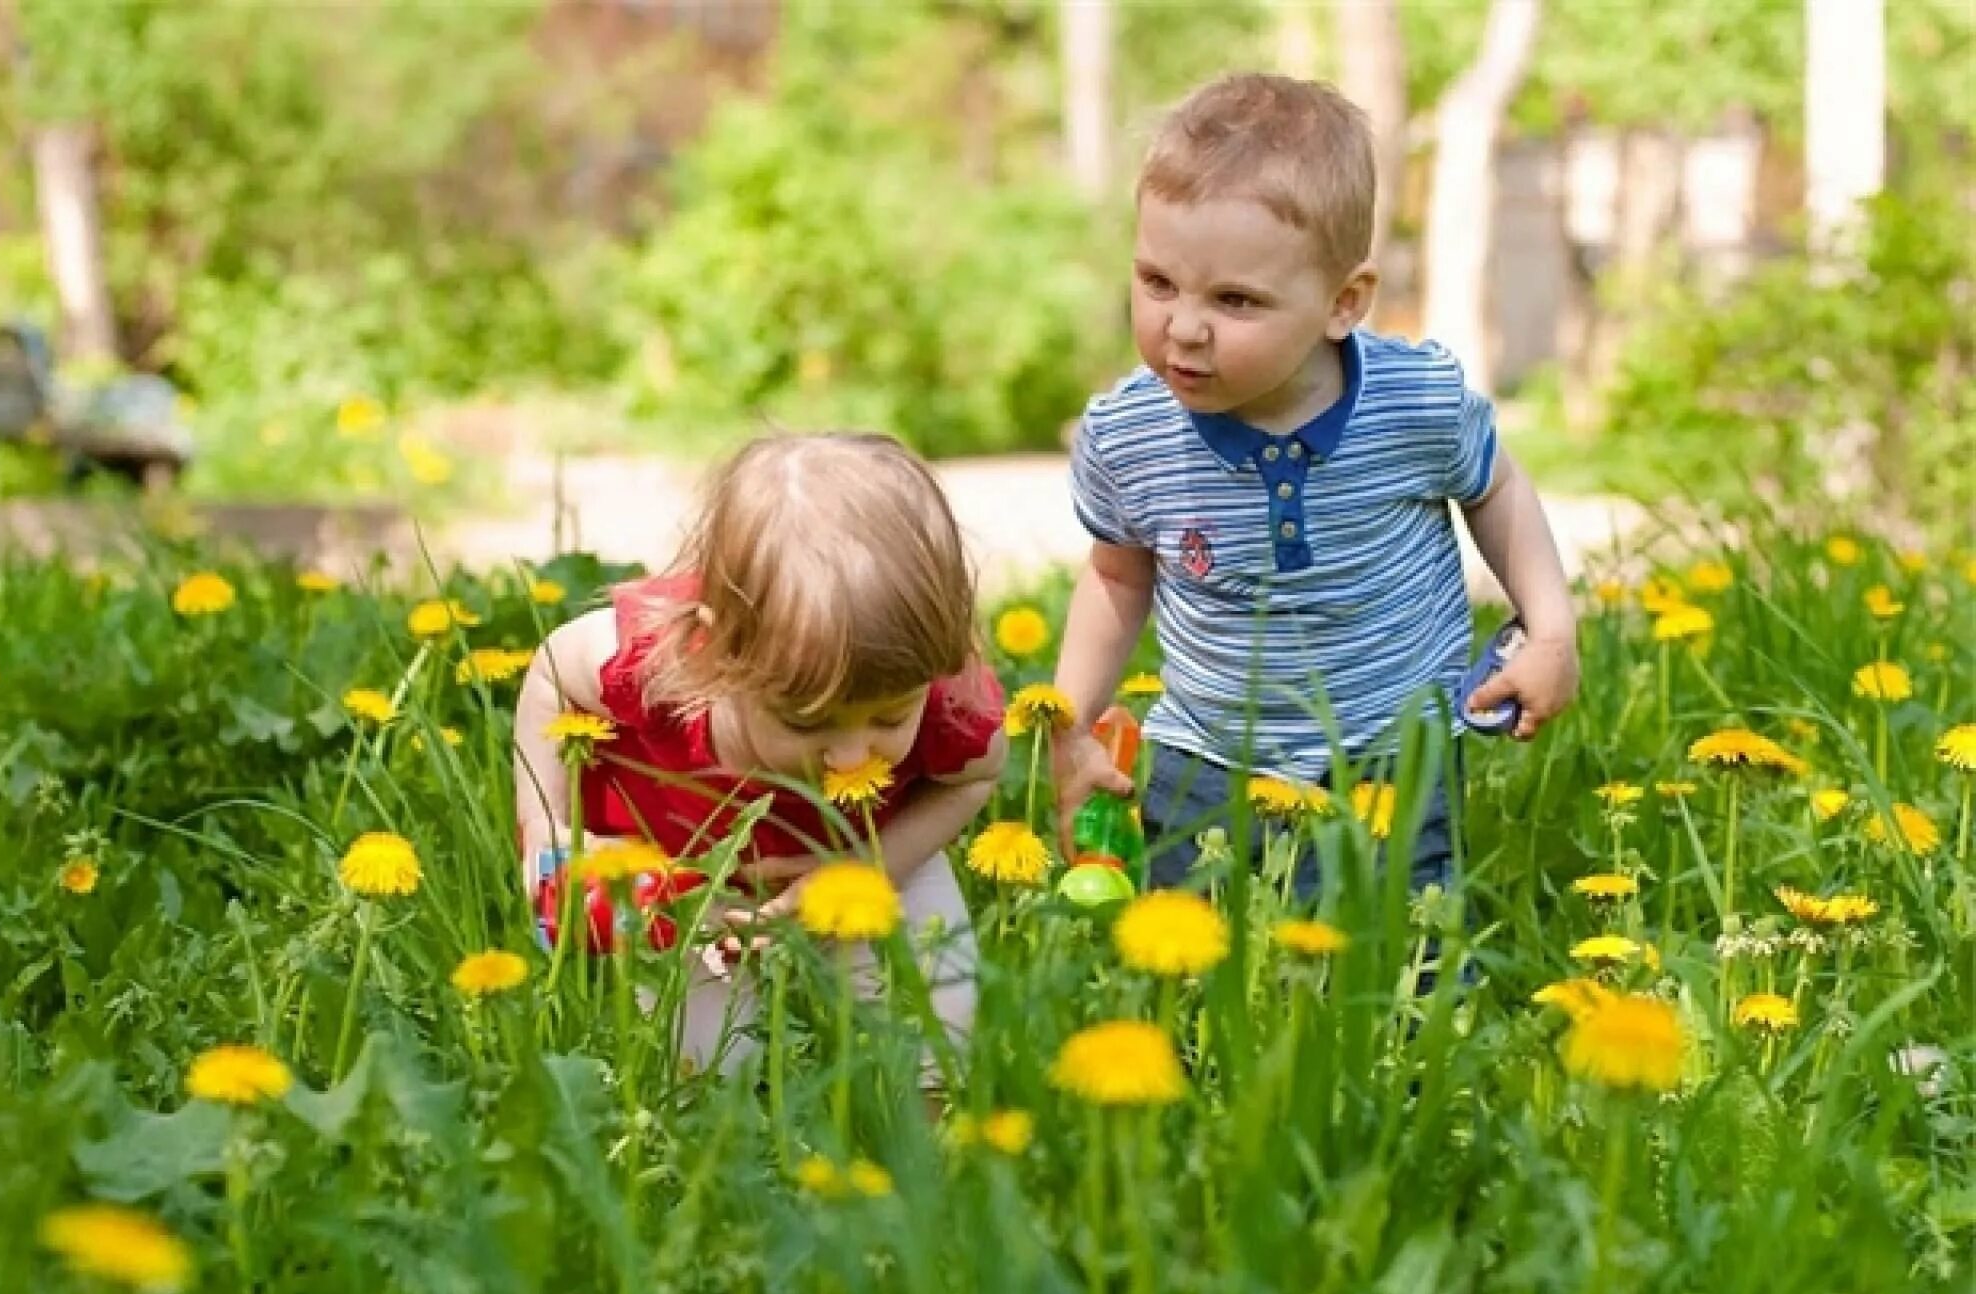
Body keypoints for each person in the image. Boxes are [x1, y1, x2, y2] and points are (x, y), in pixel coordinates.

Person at [1051, 73, 1580, 893]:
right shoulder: (1131, 433)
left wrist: (1550, 631)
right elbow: (1117, 576)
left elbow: (1495, 488)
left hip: (1389, 738)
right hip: (1206, 749)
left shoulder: (1415, 402)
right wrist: (1072, 720)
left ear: (1344, 302)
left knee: (1401, 952)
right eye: (1157, 282)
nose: (1182, 327)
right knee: (1190, 959)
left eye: (1234, 300)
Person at [513, 431, 1005, 1069]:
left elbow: (975, 778)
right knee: (703, 1062)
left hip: (870, 845)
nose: (852, 756)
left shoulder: (943, 699)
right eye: (807, 722)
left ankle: (931, 1136)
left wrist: (865, 868)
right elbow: (551, 672)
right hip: (685, 873)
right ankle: (729, 1142)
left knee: (938, 1013)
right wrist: (547, 825)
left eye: (889, 716)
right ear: (721, 654)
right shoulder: (650, 666)